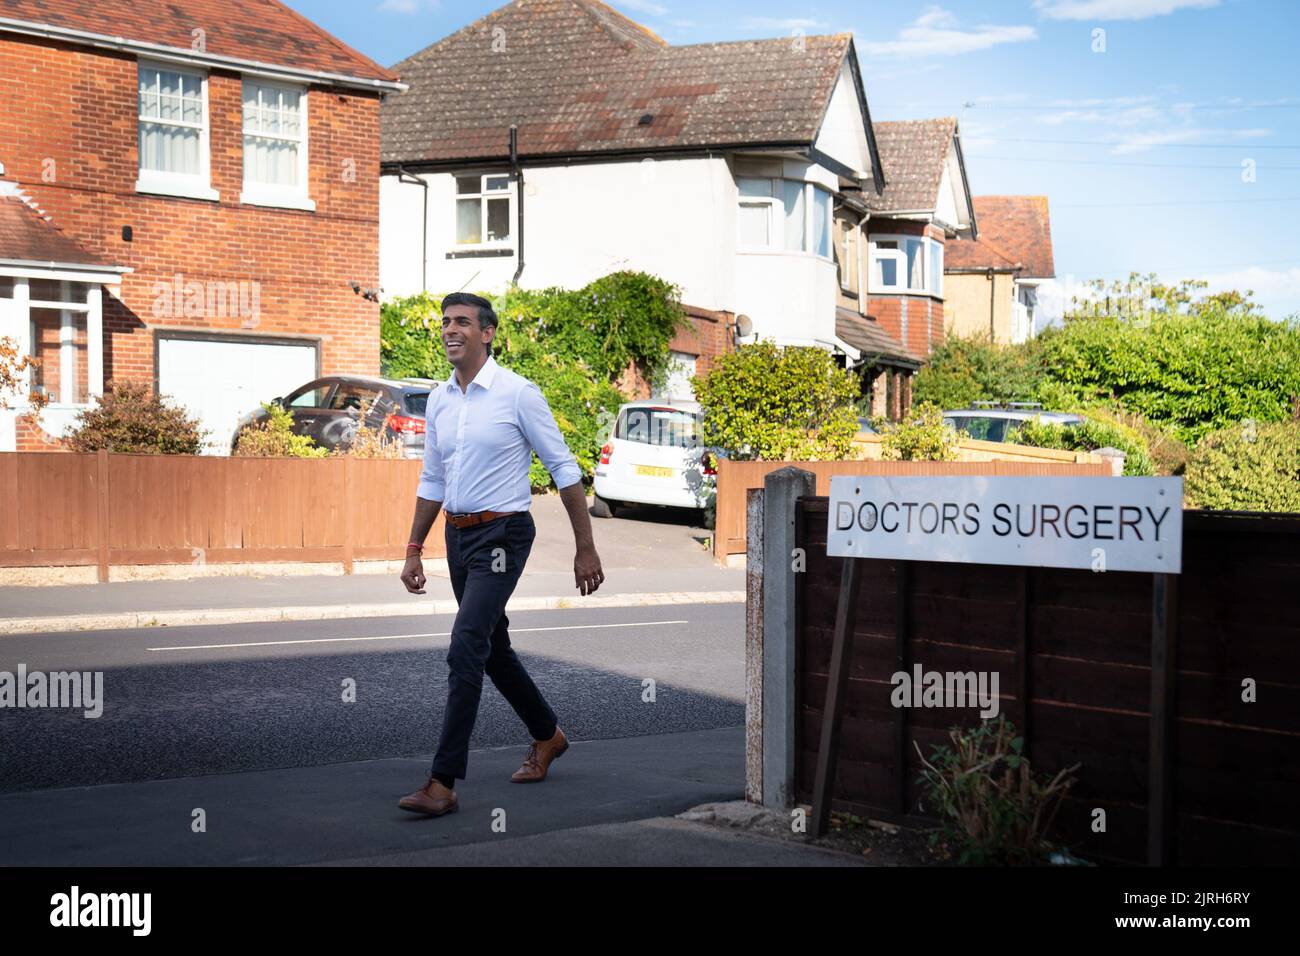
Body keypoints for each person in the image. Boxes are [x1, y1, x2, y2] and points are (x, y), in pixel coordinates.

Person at [397, 292, 605, 817]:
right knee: (492, 648)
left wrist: (586, 547)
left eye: (462, 322)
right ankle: (547, 734)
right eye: (445, 322)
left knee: (466, 643)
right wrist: (413, 548)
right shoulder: (441, 399)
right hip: (457, 536)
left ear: (486, 333)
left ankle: (442, 782)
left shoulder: (518, 394)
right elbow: (434, 478)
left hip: (504, 536)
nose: (450, 329)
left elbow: (564, 468)